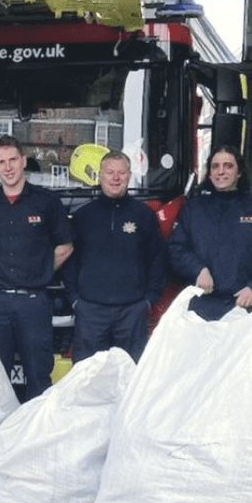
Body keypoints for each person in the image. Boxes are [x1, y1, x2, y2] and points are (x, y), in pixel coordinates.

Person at [0, 135, 74, 400]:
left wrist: (40, 271)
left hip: (34, 302)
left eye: (13, 159)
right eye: (1, 162)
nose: (8, 167)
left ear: (24, 161)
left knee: (38, 376)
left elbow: (66, 246)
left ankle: (35, 437)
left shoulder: (46, 202)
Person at [62, 150, 167, 362]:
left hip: (132, 313)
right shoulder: (83, 217)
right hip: (90, 313)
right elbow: (70, 261)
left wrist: (148, 300)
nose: (115, 178)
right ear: (100, 176)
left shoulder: (144, 215)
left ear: (129, 176)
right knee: (86, 378)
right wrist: (75, 300)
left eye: (121, 172)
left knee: (129, 379)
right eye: (110, 172)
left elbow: (158, 259)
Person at [169, 145, 252, 321]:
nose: (221, 172)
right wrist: (198, 270)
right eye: (215, 166)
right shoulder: (194, 210)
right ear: (209, 173)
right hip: (203, 310)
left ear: (240, 172)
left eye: (228, 166)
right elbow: (176, 249)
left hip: (250, 308)